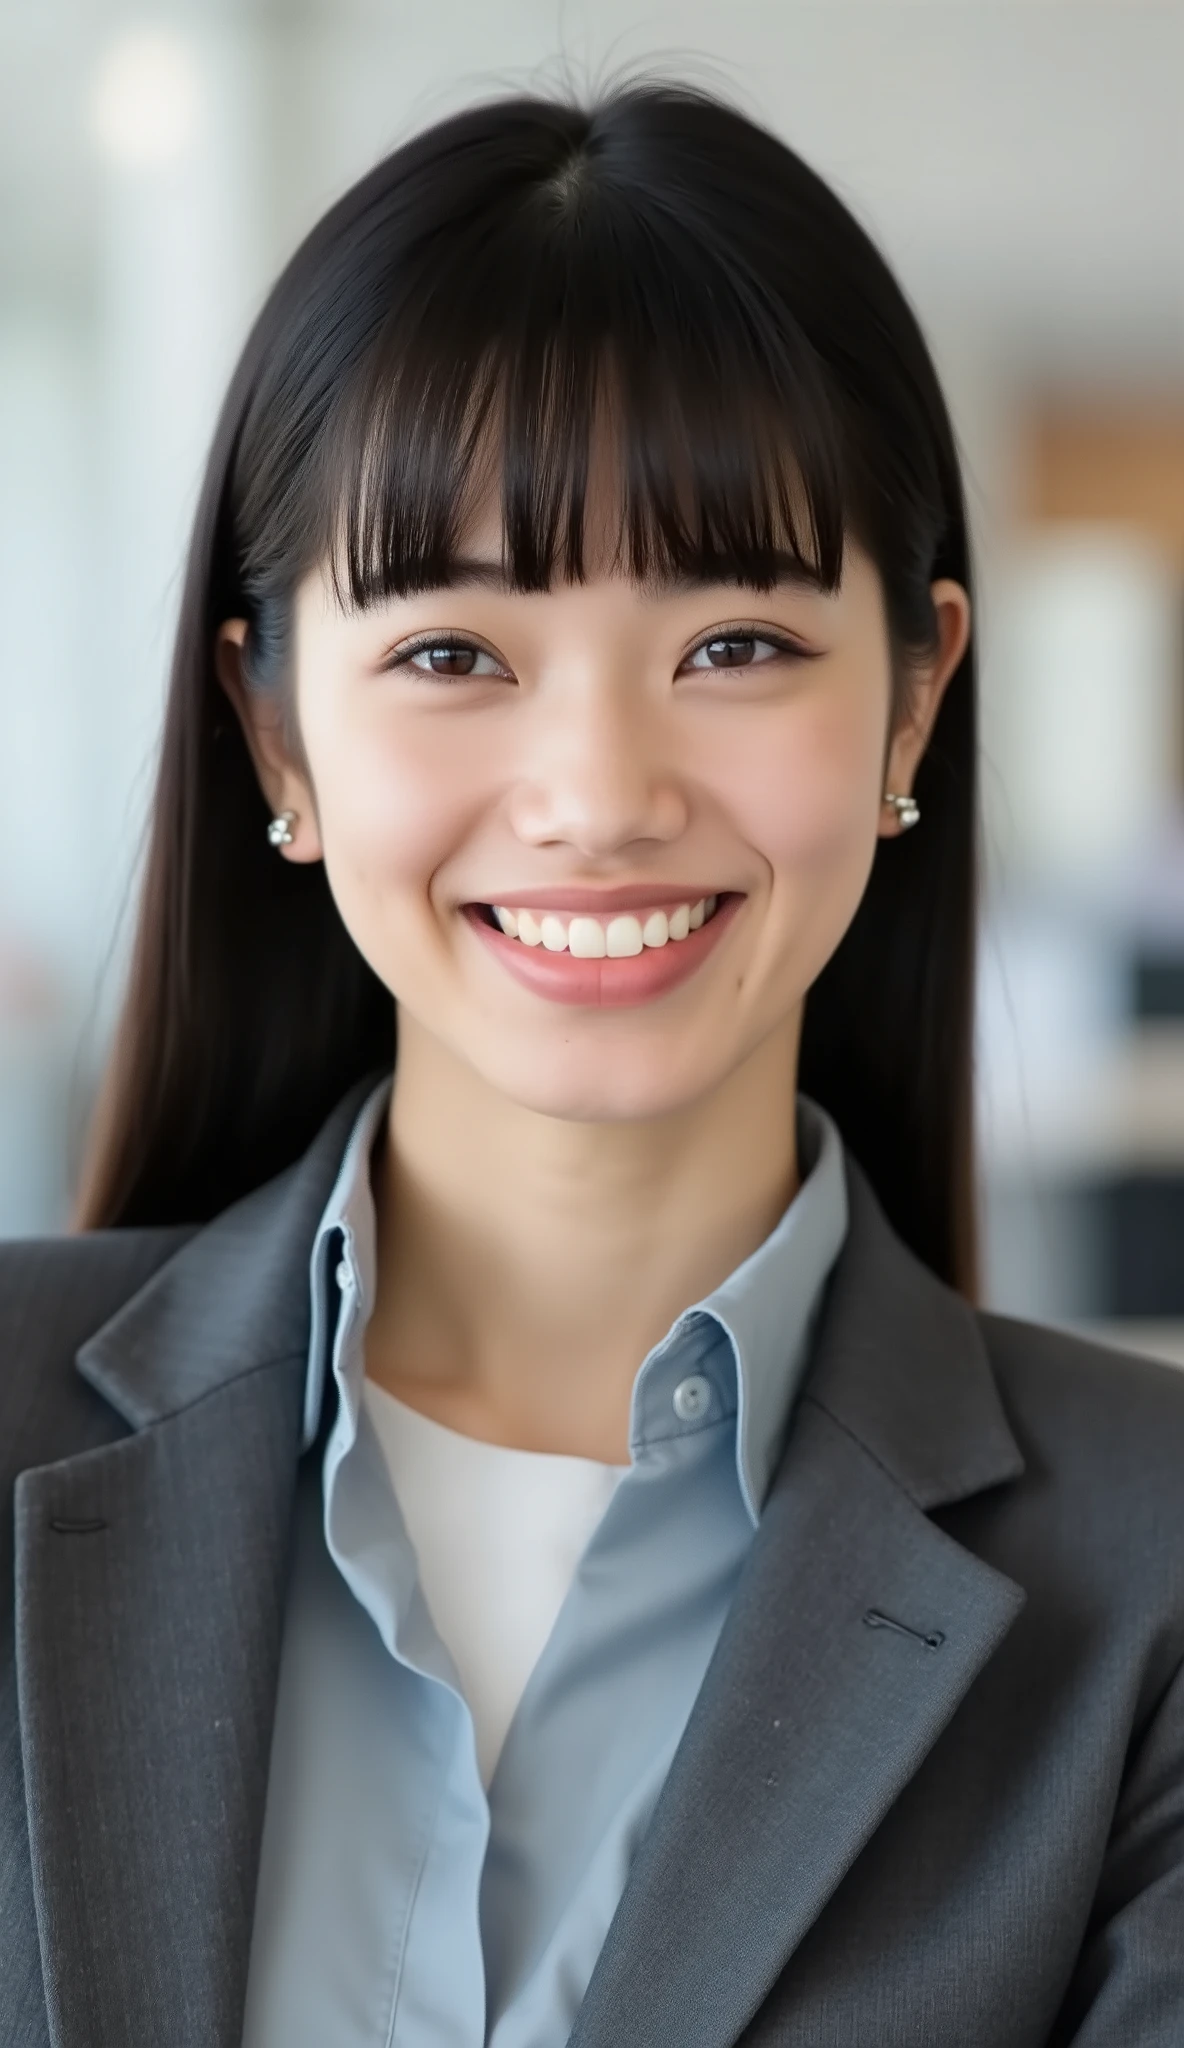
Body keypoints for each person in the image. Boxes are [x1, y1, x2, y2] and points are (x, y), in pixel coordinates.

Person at [2, 80, 1181, 2048]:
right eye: (452, 652)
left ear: (916, 698)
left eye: (734, 643)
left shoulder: (1148, 1583)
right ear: (274, 732)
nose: (600, 798)